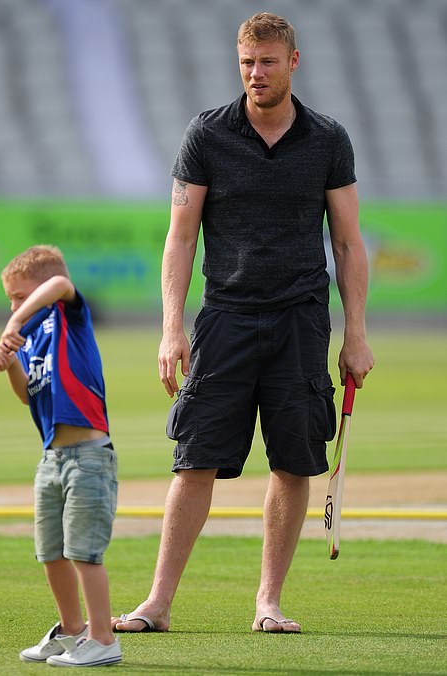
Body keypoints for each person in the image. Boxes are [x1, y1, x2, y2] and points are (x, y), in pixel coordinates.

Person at [113, 12, 374, 635]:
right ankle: (157, 603)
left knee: (292, 464)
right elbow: (179, 240)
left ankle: (268, 602)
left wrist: (356, 332)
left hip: (301, 321)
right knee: (194, 459)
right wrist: (171, 327)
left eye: (267, 62)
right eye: (246, 63)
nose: (255, 74)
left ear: (293, 62)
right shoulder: (207, 134)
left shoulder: (328, 139)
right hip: (225, 317)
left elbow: (348, 242)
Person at [0, 245, 122, 666]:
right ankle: (71, 630)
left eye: (19, 296)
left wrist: (14, 319)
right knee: (51, 552)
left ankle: (103, 639)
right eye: (11, 300)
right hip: (51, 458)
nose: (14, 305)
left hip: (88, 458)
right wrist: (10, 362)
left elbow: (61, 285)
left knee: (84, 552)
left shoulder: (67, 314)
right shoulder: (29, 339)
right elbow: (28, 395)